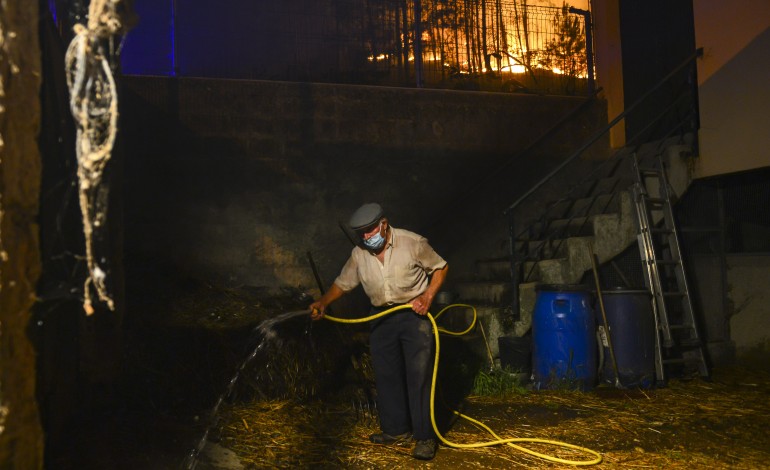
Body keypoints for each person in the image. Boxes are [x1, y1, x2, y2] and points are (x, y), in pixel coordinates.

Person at [309, 202, 448, 461]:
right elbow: (343, 283)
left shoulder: (412, 242)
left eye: (369, 231)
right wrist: (323, 302)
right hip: (381, 317)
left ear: (383, 224)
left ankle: (425, 437)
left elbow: (440, 267)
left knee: (419, 375)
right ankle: (395, 430)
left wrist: (428, 296)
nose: (365, 237)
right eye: (361, 233)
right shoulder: (359, 254)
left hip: (413, 315)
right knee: (386, 373)